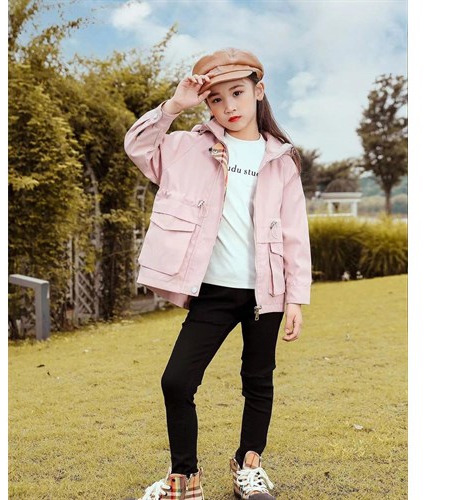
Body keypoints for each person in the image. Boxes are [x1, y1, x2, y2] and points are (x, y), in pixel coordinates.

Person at [124, 48, 312, 500]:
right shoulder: (188, 148)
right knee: (176, 381)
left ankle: (249, 468)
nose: (229, 106)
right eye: (216, 99)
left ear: (259, 91)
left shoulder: (282, 160)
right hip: (212, 292)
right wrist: (174, 105)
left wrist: (295, 297)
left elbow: (295, 233)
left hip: (265, 293)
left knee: (258, 380)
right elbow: (138, 147)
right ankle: (184, 479)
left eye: (238, 93)